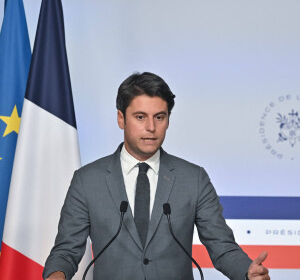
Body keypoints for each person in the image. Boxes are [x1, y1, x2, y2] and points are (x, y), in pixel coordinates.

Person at [43, 72, 270, 280]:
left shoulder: (194, 179)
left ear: (168, 119)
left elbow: (222, 246)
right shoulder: (87, 180)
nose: (151, 127)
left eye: (159, 117)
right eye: (140, 117)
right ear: (121, 119)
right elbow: (66, 251)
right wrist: (56, 275)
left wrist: (247, 272)